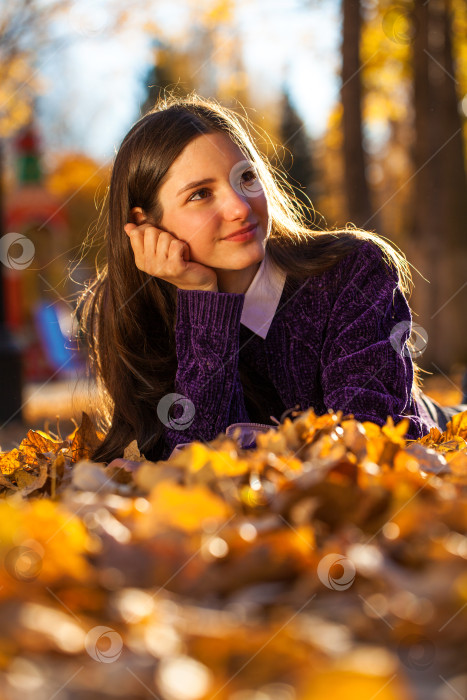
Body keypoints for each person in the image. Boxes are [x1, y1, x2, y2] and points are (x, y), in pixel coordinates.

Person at [78, 91, 467, 464]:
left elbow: (368, 442)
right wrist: (203, 300)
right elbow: (195, 461)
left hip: (438, 431)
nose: (238, 206)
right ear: (146, 225)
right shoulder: (135, 317)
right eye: (200, 194)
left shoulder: (351, 271)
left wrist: (245, 446)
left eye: (245, 177)